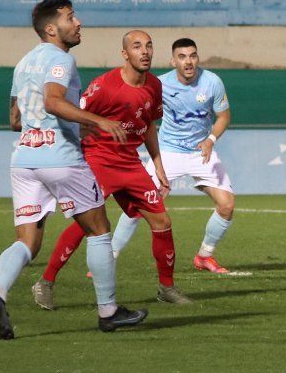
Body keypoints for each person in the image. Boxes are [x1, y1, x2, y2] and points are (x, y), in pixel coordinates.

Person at [0, 0, 146, 339]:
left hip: (25, 159)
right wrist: (98, 120)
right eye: (70, 18)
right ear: (50, 29)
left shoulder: (23, 63)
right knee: (100, 230)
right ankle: (108, 311)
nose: (78, 23)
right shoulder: (61, 60)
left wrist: (75, 125)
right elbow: (53, 101)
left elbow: (16, 120)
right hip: (61, 160)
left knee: (27, 242)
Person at [33, 30, 191, 308]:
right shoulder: (104, 85)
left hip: (130, 162)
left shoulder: (154, 85)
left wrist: (157, 164)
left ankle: (166, 287)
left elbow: (150, 125)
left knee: (162, 223)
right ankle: (45, 282)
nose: (145, 51)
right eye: (137, 46)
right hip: (99, 160)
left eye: (149, 46)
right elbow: (74, 118)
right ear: (125, 54)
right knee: (88, 225)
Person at [109, 38, 236, 274]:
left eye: (193, 56)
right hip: (168, 151)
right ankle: (110, 256)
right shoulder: (159, 84)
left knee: (227, 205)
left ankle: (204, 256)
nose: (188, 61)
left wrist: (210, 140)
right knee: (138, 204)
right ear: (172, 60)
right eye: (182, 56)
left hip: (201, 152)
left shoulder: (212, 82)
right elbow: (145, 118)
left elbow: (224, 117)